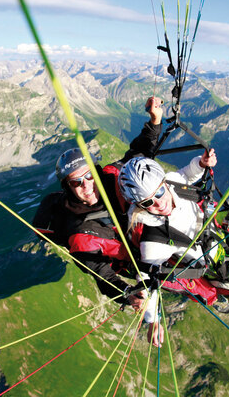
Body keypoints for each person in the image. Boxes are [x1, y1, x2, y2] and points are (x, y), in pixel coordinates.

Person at [118, 150, 229, 346]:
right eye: (147, 202)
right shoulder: (153, 240)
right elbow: (147, 280)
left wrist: (201, 163)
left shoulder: (171, 180)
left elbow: (187, 174)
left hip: (217, 226)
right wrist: (152, 321)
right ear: (138, 205)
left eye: (159, 192)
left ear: (163, 183)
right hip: (217, 261)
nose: (158, 203)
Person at [32, 97, 164, 312]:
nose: (87, 185)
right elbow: (100, 272)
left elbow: (137, 154)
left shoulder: (112, 178)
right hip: (136, 259)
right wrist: (128, 295)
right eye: (76, 182)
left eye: (90, 175)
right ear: (68, 188)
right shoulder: (77, 232)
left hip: (149, 233)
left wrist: (154, 122)